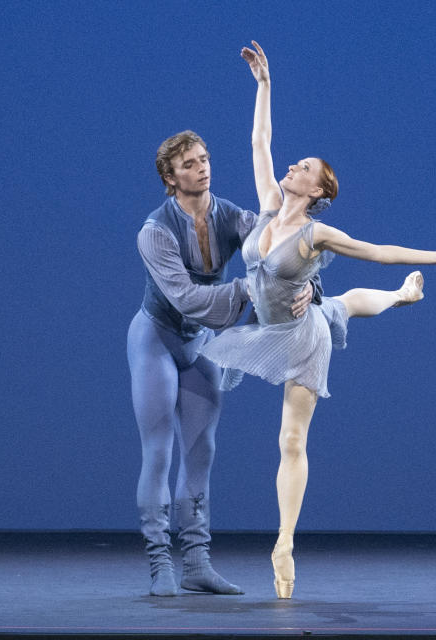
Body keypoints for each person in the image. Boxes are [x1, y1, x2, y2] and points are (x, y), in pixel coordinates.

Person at [198, 42, 436, 599]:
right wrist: (264, 85)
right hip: (271, 330)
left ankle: (283, 542)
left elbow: (376, 249)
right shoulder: (265, 206)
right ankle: (401, 299)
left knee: (291, 438)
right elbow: (259, 140)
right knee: (343, 302)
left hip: (301, 341)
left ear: (319, 189)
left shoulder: (316, 233)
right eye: (295, 162)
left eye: (303, 167)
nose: (291, 166)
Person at [128, 130, 317, 596]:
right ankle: (160, 565)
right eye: (190, 163)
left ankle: (196, 563)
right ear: (170, 179)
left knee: (201, 452)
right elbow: (187, 299)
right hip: (156, 338)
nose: (203, 167)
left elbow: (284, 247)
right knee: (159, 452)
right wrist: (249, 290)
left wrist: (309, 287)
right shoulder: (154, 231)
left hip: (199, 345)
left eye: (205, 158)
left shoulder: (232, 215)